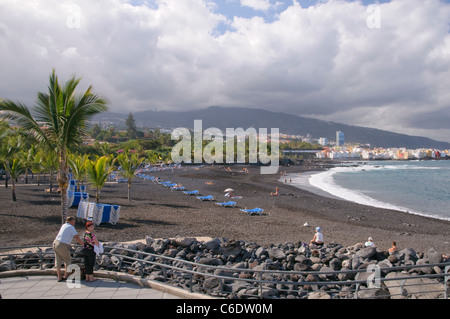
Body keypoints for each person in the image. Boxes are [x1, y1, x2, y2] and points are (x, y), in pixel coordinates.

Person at [53, 216, 83, 282]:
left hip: (55, 243)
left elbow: (65, 235)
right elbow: (76, 237)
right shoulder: (71, 227)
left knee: (58, 260)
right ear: (70, 221)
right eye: (73, 221)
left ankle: (59, 276)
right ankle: (66, 276)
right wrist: (82, 244)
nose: (74, 222)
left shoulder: (64, 225)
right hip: (62, 245)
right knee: (67, 260)